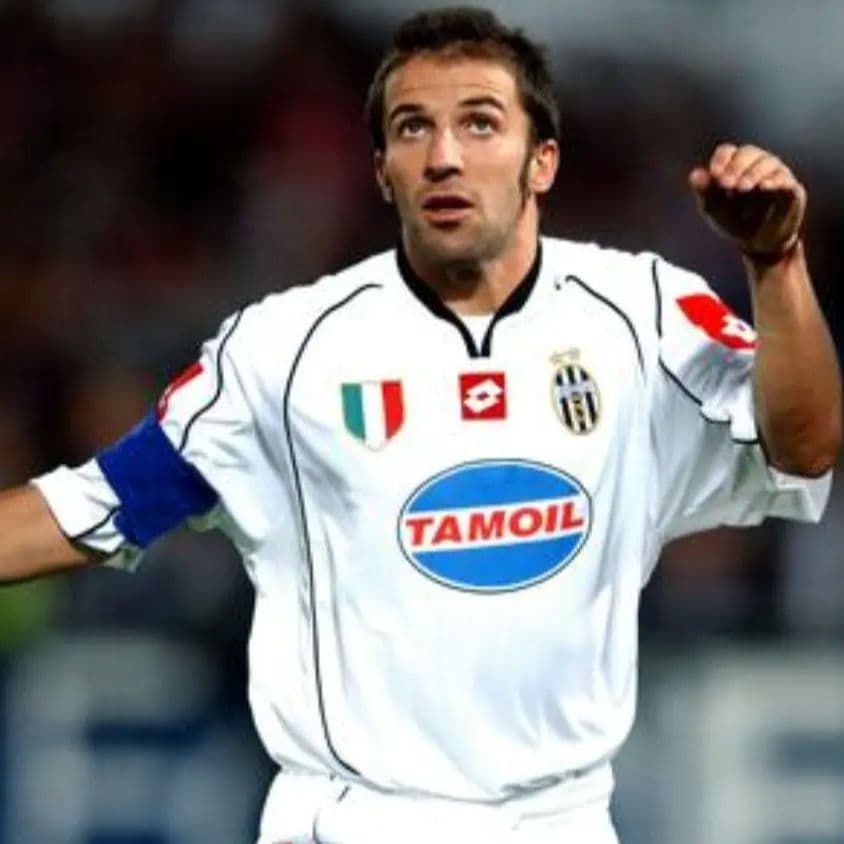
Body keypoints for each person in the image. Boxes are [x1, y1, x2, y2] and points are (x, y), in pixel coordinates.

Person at [0, 7, 840, 844]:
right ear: (382, 171)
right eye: (412, 128)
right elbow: (99, 504)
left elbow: (804, 447)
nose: (444, 156)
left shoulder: (644, 316)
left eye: (480, 123)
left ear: (542, 160)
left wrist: (775, 263)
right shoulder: (286, 350)